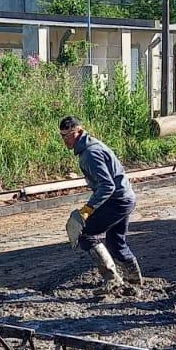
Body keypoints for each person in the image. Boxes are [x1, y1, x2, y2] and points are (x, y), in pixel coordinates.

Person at [60, 116, 141, 296]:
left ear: (79, 131)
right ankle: (134, 279)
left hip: (117, 200)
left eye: (69, 135)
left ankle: (112, 280)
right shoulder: (91, 147)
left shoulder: (90, 154)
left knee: (86, 235)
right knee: (116, 242)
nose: (65, 139)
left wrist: (88, 210)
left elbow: (107, 186)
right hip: (125, 198)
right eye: (62, 136)